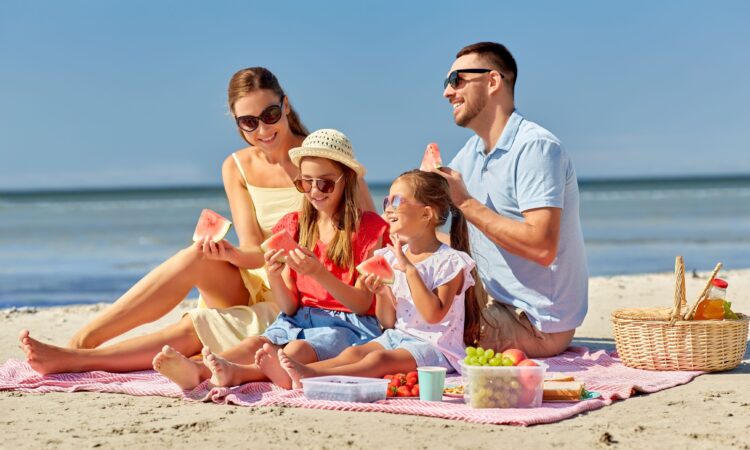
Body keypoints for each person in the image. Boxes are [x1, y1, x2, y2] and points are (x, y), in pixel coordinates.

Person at [18, 68, 375, 375]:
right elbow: (254, 246)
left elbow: (369, 234)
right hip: (259, 275)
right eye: (248, 122)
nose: (262, 130)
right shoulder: (235, 166)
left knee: (196, 326)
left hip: (298, 292)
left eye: (269, 115)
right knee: (196, 256)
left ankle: (82, 359)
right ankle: (84, 341)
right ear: (237, 123)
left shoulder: (323, 162)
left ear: (285, 106)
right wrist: (230, 254)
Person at [153, 129, 390, 390]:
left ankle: (237, 375)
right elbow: (288, 307)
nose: (314, 191)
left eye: (325, 183)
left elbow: (362, 303)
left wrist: (318, 273)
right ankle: (199, 370)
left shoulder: (369, 228)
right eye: (305, 182)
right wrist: (274, 273)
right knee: (256, 344)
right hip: (299, 317)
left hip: (349, 326)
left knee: (297, 350)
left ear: (347, 180)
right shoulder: (294, 226)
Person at [255, 170, 482, 388]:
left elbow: (433, 315)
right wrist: (383, 294)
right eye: (386, 202)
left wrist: (410, 271)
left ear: (426, 214)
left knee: (379, 361)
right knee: (354, 353)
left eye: (396, 202)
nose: (388, 210)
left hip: (437, 349)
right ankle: (295, 373)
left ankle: (312, 374)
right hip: (397, 337)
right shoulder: (390, 257)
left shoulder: (450, 261)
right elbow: (388, 322)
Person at [435, 42, 588, 357]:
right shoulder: (468, 156)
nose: (447, 93)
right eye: (446, 84)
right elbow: (458, 241)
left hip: (536, 323)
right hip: (491, 305)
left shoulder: (536, 148)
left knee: (425, 330)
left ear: (492, 82)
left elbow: (541, 247)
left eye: (456, 80)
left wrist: (465, 203)